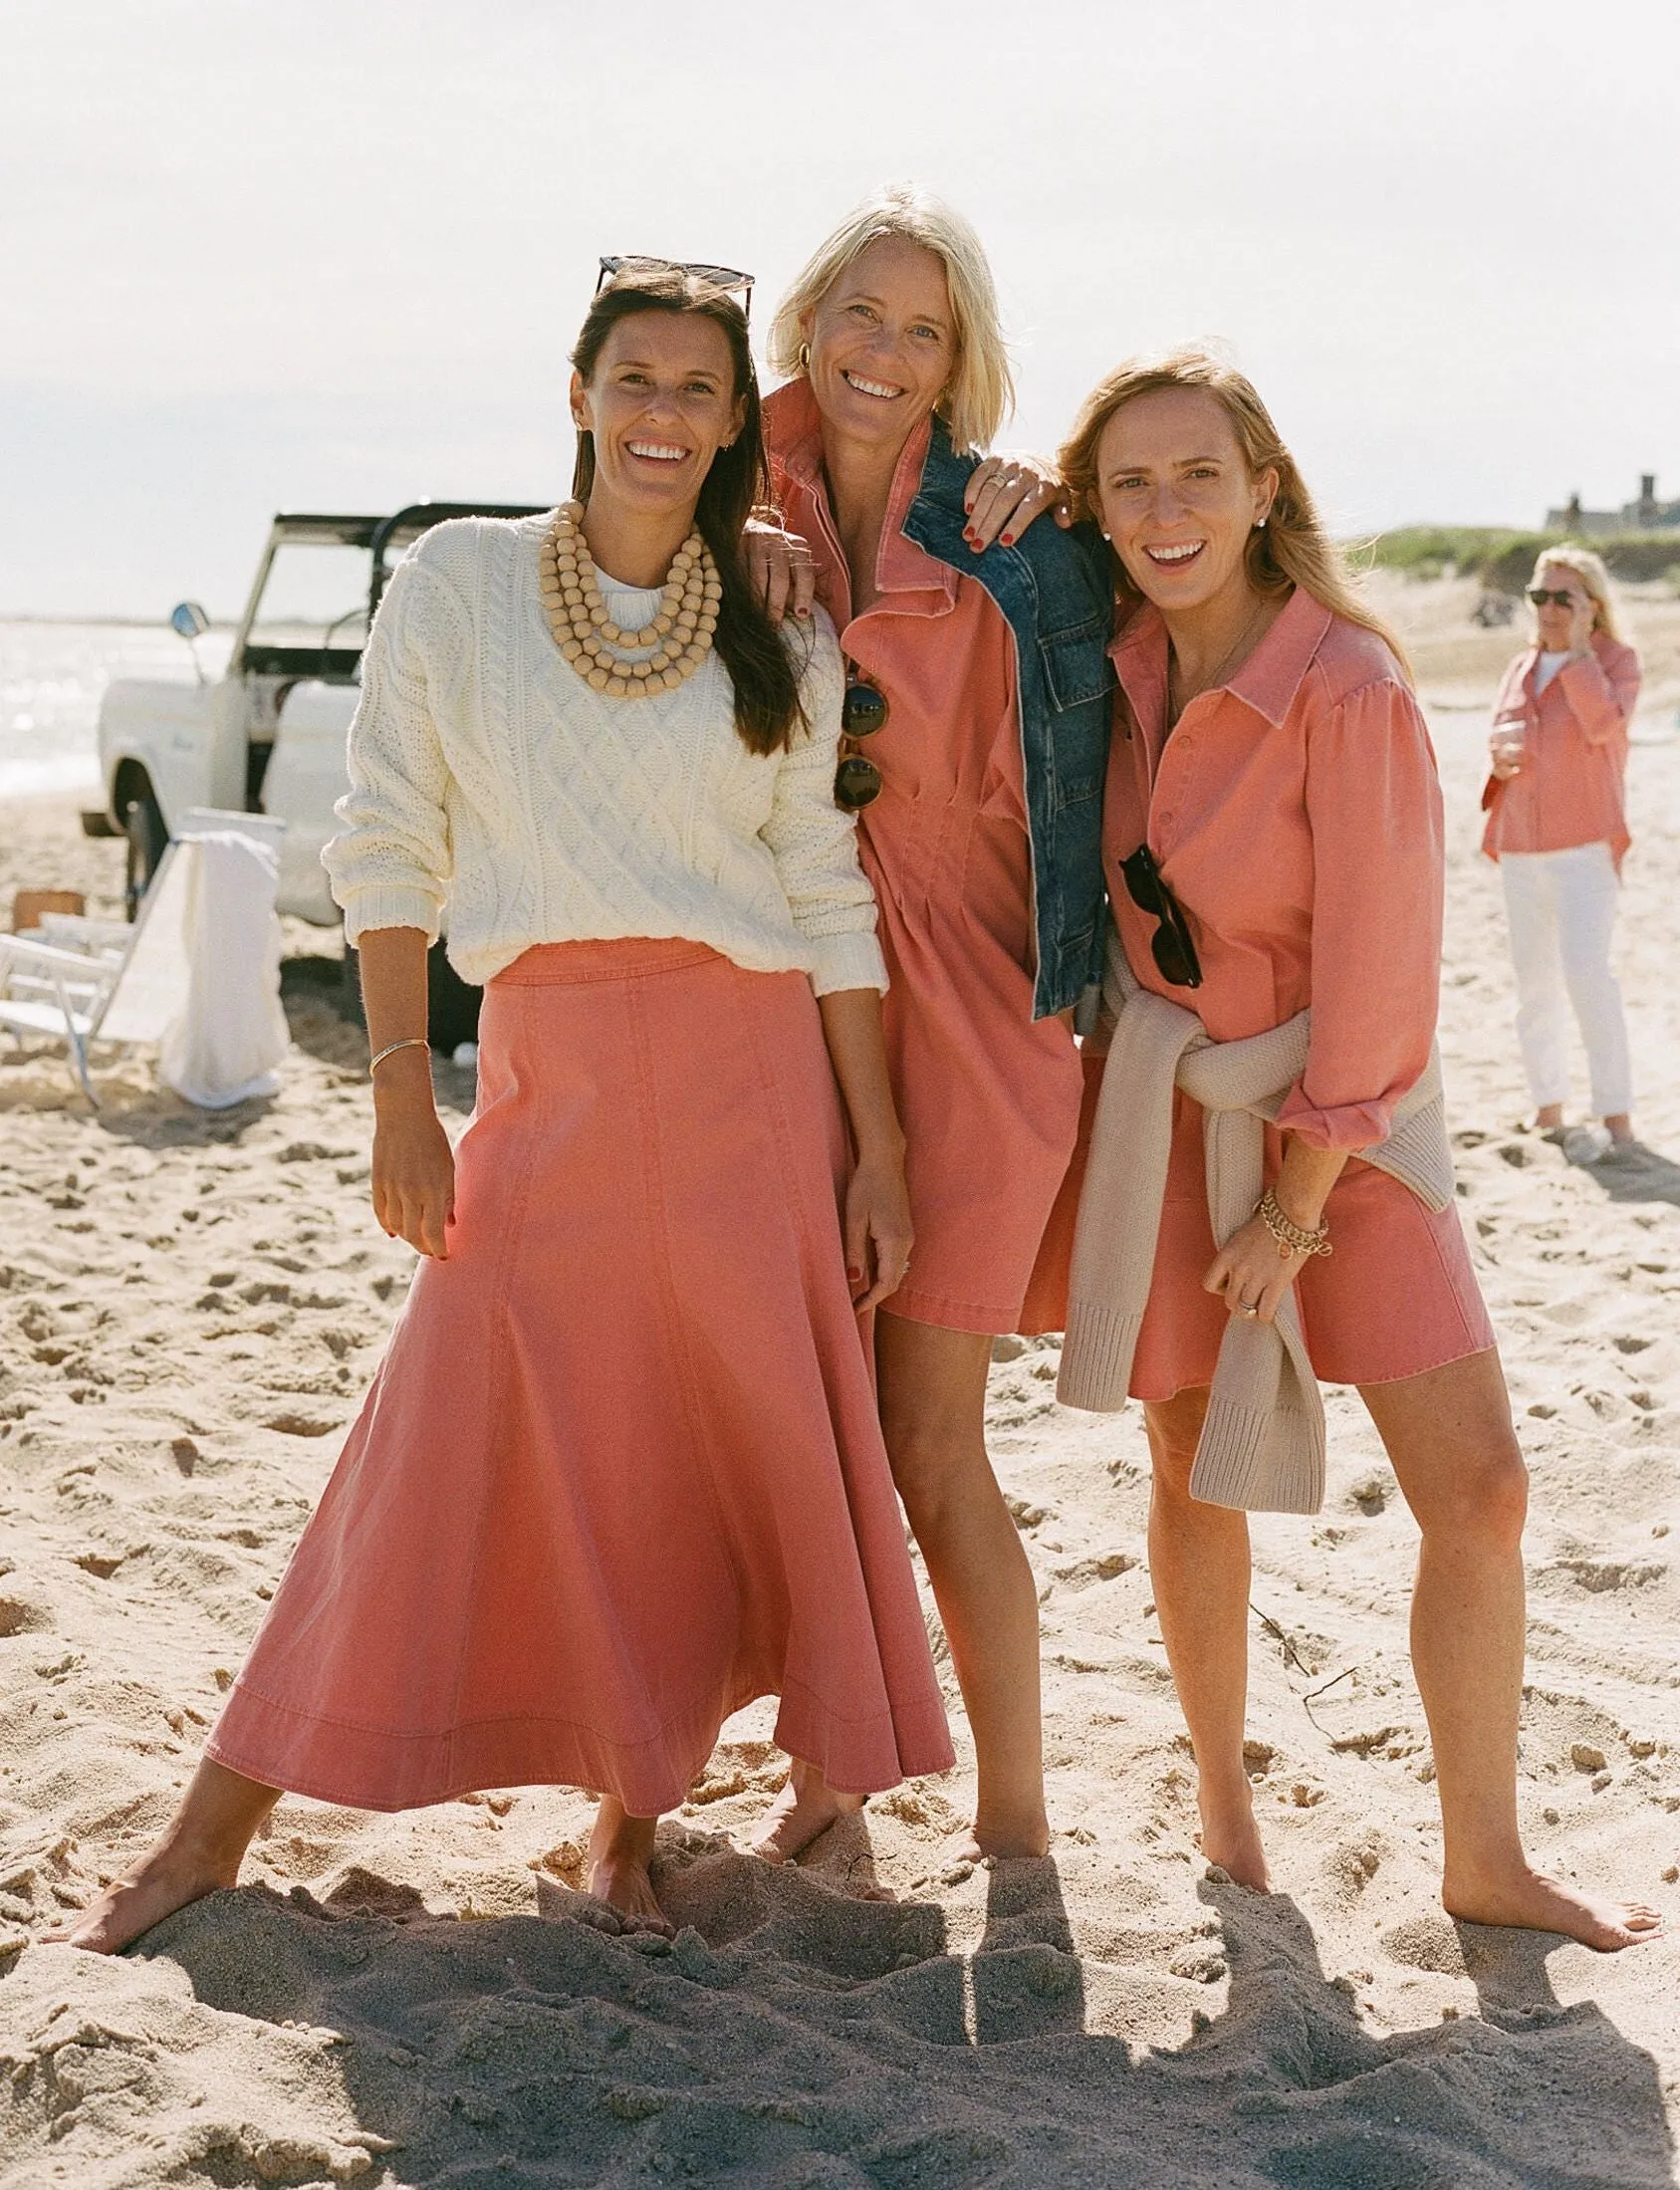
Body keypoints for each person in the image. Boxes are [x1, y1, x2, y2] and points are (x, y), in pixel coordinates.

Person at [50, 263, 954, 1954]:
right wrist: (403, 1082)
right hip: (544, 1072)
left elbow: (822, 885)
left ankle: (631, 1828)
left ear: (725, 413)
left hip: (755, 1077)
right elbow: (386, 839)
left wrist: (880, 1146)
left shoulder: (770, 611)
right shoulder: (455, 584)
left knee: (691, 1457)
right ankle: (208, 1829)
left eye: (699, 388)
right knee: (431, 1425)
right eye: (636, 379)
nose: (665, 416)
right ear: (577, 391)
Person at [1052, 346, 1659, 1951]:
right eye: (1128, 480)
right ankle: (1220, 1802)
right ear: (1094, 509)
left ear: (1264, 489)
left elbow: (1382, 985)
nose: (1162, 507)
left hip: (1351, 1132)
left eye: (1197, 473)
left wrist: (1296, 1209)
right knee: (1186, 1471)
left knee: (1478, 1487)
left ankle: (1481, 1853)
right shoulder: (1095, 666)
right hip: (1176, 1116)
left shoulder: (1350, 684)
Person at [744, 186, 1113, 1864]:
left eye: (923, 327)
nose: (882, 354)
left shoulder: (1014, 528)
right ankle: (828, 1770)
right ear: (802, 320)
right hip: (775, 977)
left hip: (970, 993)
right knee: (798, 1407)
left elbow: (1127, 694)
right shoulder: (713, 482)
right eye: (859, 313)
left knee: (924, 1429)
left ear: (962, 358)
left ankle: (1015, 1814)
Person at [1482, 547, 1642, 1156]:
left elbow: (1605, 727)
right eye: (1539, 597)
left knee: (1587, 976)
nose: (1547, 609)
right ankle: (1548, 1105)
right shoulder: (1519, 666)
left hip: (1586, 849)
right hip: (1521, 846)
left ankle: (1616, 1115)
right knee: (1535, 984)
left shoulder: (1616, 663)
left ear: (1592, 607)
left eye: (1563, 598)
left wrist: (1577, 656)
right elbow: (1502, 742)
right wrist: (1497, 760)